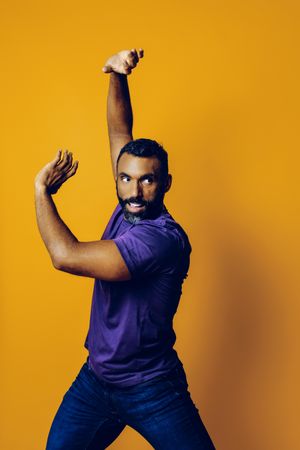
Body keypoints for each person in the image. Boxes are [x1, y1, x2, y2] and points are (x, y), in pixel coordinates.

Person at [35, 48, 215, 450]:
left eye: (148, 181)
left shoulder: (161, 239)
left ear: (166, 183)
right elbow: (120, 130)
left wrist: (42, 193)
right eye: (126, 179)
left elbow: (65, 255)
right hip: (96, 382)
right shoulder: (127, 206)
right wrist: (117, 75)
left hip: (151, 387)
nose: (134, 191)